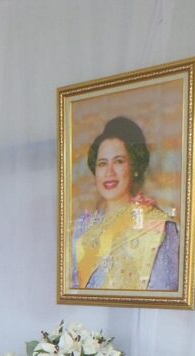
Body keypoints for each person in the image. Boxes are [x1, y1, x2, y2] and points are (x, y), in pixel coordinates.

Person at [71, 116, 179, 291]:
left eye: (119, 161)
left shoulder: (156, 225)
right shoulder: (82, 227)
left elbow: (163, 291)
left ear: (134, 167)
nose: (109, 172)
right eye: (102, 164)